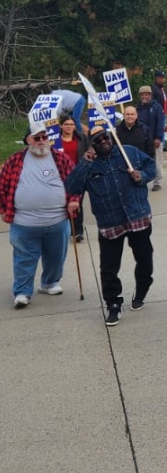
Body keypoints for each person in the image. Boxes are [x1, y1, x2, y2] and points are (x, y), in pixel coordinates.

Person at [64, 124, 158, 326]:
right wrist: (84, 164)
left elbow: (151, 166)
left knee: (145, 260)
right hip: (110, 223)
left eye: (105, 137)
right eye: (97, 141)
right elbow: (71, 186)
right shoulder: (90, 164)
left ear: (111, 137)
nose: (103, 142)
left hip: (137, 217)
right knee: (108, 268)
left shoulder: (129, 153)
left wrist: (141, 176)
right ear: (92, 145)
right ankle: (113, 304)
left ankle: (141, 290)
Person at [2, 121, 80, 307]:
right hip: (24, 222)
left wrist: (74, 199)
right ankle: (22, 292)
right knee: (24, 258)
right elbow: (2, 187)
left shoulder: (60, 159)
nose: (41, 141)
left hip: (58, 220)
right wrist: (3, 209)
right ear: (28, 140)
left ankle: (49, 283)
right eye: (37, 138)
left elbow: (75, 181)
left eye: (45, 137)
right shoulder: (15, 160)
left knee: (56, 255)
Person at [55, 114, 87, 241]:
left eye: (72, 124)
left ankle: (77, 232)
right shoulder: (55, 141)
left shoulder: (81, 138)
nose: (69, 127)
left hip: (78, 175)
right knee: (63, 203)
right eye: (66, 124)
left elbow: (88, 151)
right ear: (61, 126)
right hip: (60, 177)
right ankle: (66, 229)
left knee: (77, 202)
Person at [135, 85, 165, 191]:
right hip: (142, 140)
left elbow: (161, 124)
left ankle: (157, 182)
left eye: (147, 94)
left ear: (150, 95)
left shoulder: (157, 107)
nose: (144, 96)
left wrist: (158, 138)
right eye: (142, 94)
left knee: (157, 161)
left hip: (154, 139)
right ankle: (143, 180)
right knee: (143, 162)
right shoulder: (137, 108)